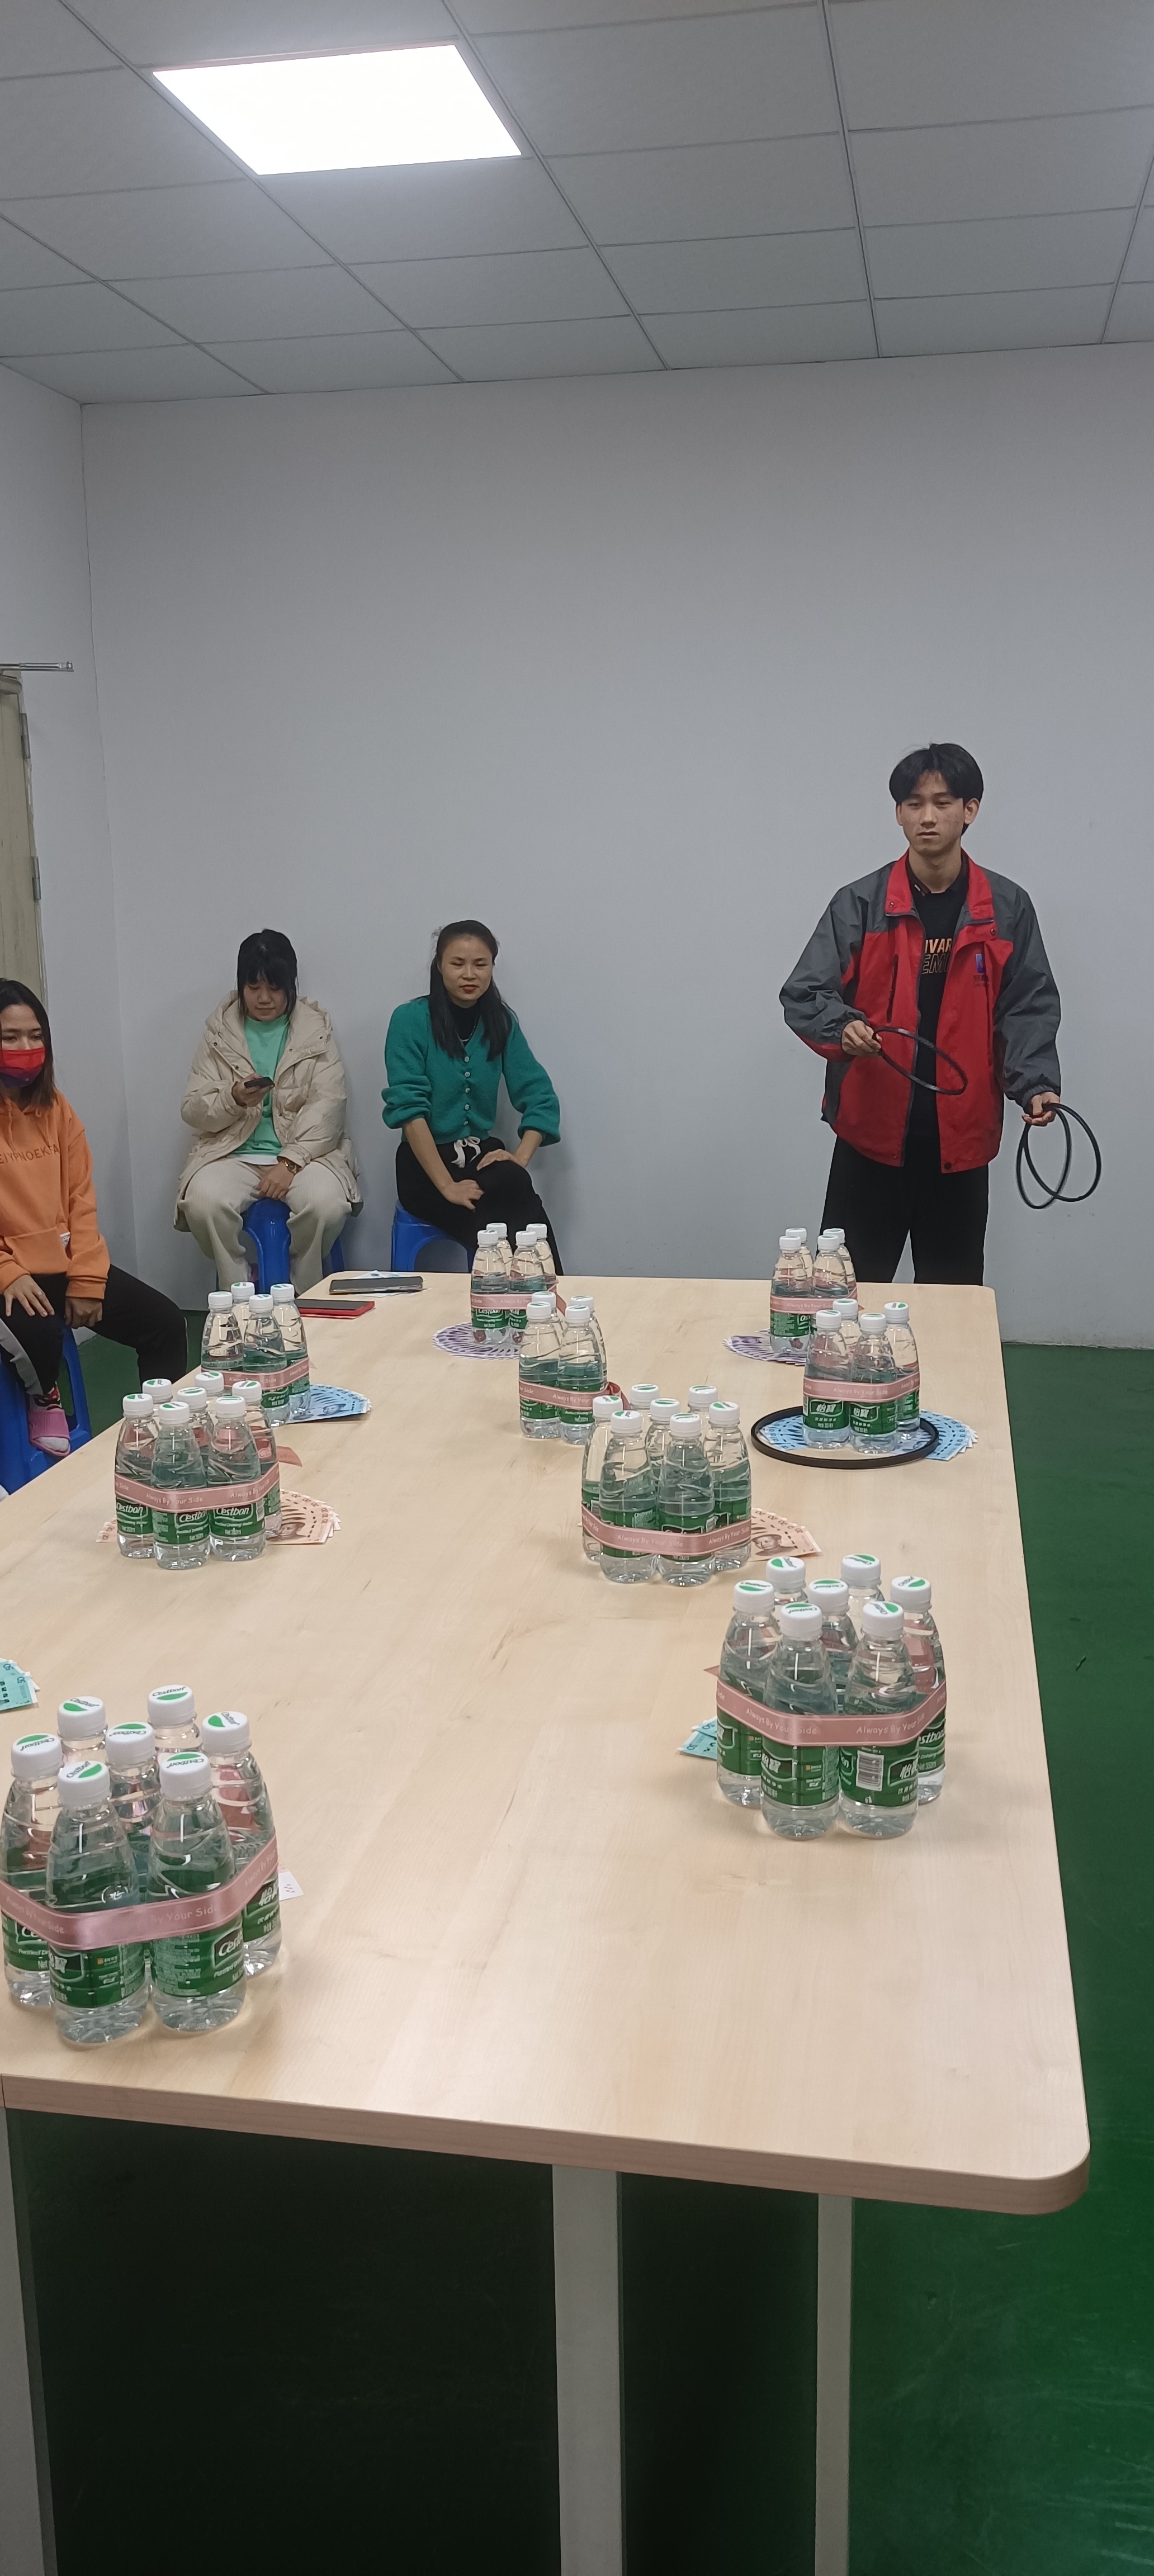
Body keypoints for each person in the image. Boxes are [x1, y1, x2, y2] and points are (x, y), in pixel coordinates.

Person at [779, 744, 1061, 1285]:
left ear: (970, 810)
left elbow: (1027, 1004)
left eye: (942, 802)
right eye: (913, 804)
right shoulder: (859, 904)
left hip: (960, 1146)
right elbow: (805, 992)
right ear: (898, 814)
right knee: (845, 1298)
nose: (927, 816)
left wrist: (1036, 1084)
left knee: (954, 1302)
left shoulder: (1007, 909)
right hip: (869, 1141)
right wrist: (844, 1027)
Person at [0, 979, 186, 1456]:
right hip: (11, 1273)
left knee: (164, 1322)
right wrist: (7, 1273)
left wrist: (86, 1276)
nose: (26, 1048)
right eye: (10, 1037)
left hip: (59, 1262)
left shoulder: (55, 1107)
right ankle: (45, 1396)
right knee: (39, 1333)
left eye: (35, 1035)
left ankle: (165, 1437)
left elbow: (80, 1198)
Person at [177, 929, 360, 1291]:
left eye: (275, 988)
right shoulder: (219, 1032)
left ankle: (302, 1289)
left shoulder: (314, 1029)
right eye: (253, 987)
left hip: (306, 1155)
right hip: (231, 1152)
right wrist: (233, 1098)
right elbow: (193, 1109)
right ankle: (240, 1290)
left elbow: (329, 1106)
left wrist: (289, 1162)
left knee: (327, 1205)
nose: (264, 998)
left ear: (291, 985)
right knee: (201, 1203)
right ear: (240, 985)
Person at [384, 921, 562, 1266]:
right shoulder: (409, 1019)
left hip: (479, 1156)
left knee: (515, 1183)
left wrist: (520, 1157)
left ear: (492, 967)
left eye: (480, 964)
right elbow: (409, 1110)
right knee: (496, 1229)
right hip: (425, 1167)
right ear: (439, 966)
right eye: (458, 963)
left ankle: (549, 1288)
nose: (469, 974)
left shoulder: (501, 1022)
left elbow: (539, 1094)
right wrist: (447, 1186)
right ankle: (516, 1289)